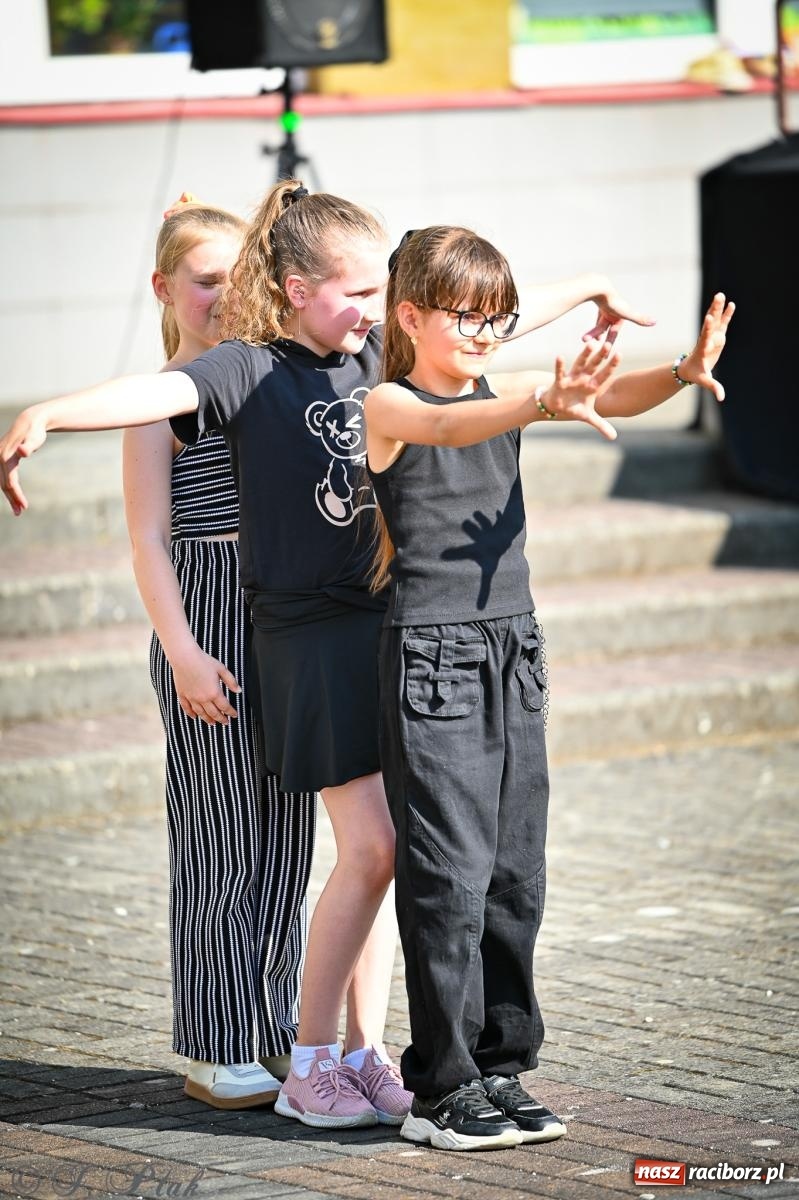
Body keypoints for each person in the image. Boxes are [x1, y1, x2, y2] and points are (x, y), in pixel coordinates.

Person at [0, 180, 657, 1131]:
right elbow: (159, 391)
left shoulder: (371, 353)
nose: (368, 307)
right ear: (298, 287)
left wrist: (591, 286)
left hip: (382, 626)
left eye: (375, 291)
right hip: (304, 636)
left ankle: (362, 1051)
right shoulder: (246, 368)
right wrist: (50, 413)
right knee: (376, 847)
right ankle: (311, 1058)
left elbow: (488, 325)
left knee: (400, 852)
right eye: (352, 290)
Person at [364, 224, 734, 1151]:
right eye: (469, 319)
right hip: (433, 658)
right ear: (408, 315)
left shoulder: (497, 383)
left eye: (500, 320)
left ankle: (498, 1067)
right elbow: (453, 424)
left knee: (512, 874)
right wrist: (541, 395)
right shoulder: (387, 402)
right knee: (446, 877)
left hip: (511, 649)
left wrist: (681, 374)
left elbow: (604, 395)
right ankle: (439, 1089)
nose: (488, 335)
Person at [123, 195, 317, 1110]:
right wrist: (185, 653)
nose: (221, 295)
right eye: (204, 280)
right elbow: (148, 542)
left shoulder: (265, 378)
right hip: (203, 619)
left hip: (283, 618)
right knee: (217, 837)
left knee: (285, 836)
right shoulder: (154, 399)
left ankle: (273, 1021)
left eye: (234, 278)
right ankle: (212, 1042)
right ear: (163, 286)